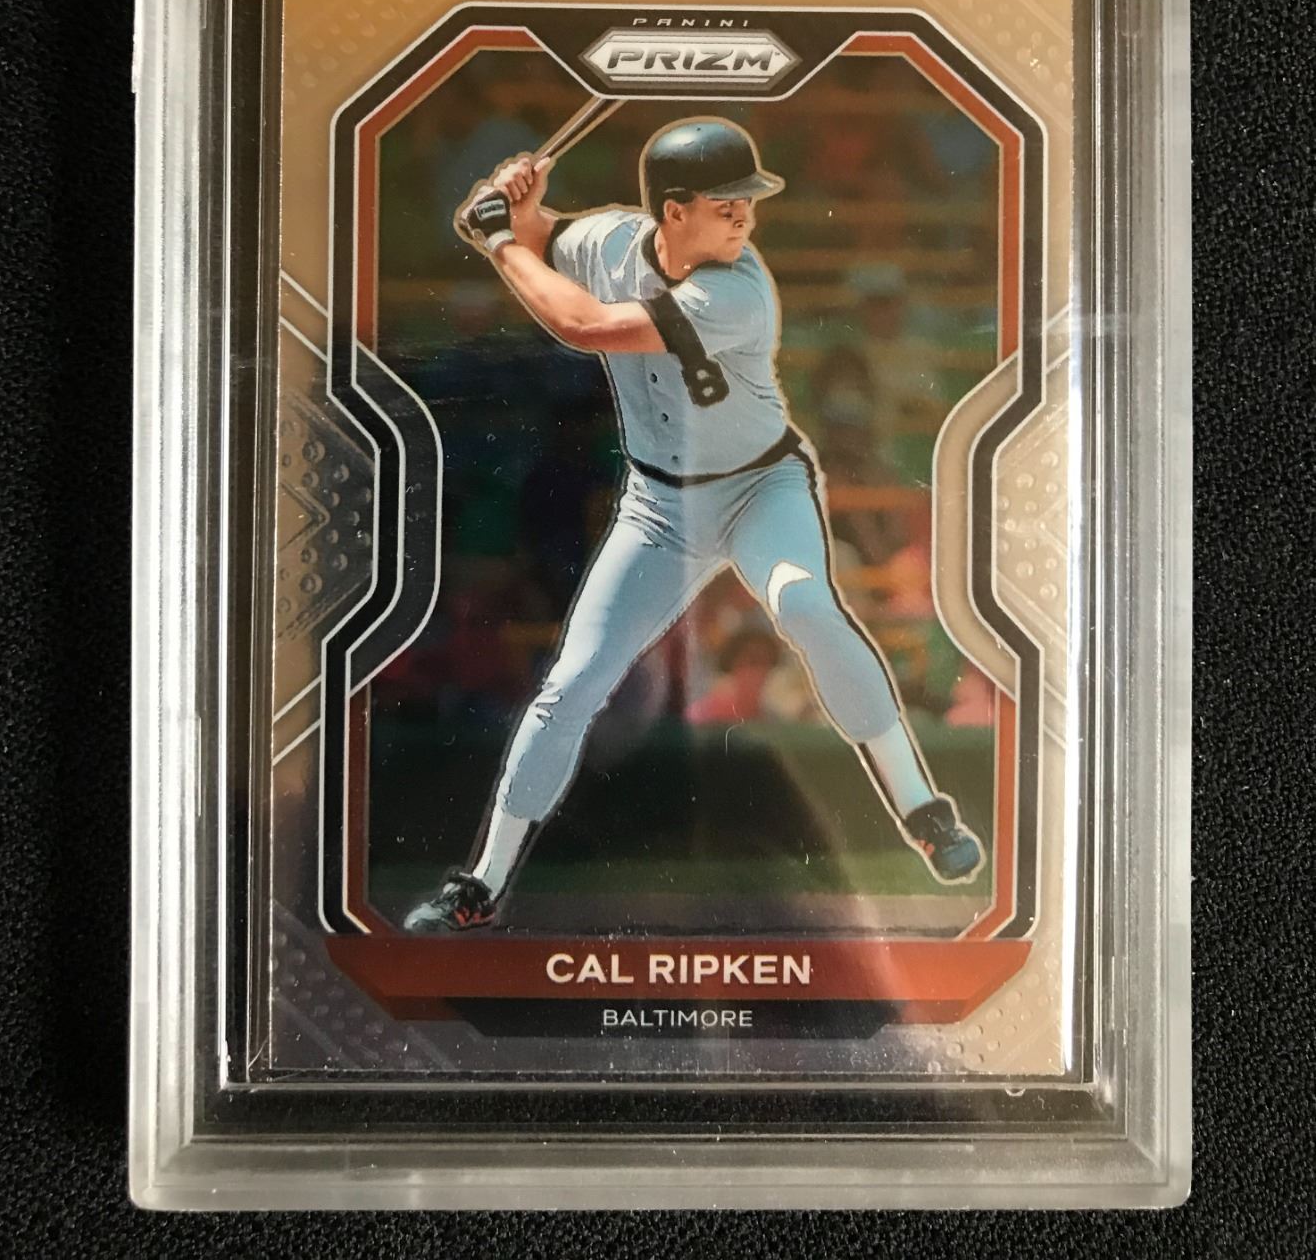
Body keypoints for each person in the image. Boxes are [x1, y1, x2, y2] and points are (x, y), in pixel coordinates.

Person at [404, 118, 983, 932]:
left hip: (760, 488)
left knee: (807, 606)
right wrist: (517, 208)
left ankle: (923, 808)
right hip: (660, 506)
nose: (746, 215)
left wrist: (499, 241)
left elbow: (583, 325)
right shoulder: (609, 240)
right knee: (572, 682)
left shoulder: (737, 289)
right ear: (673, 211)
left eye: (748, 200)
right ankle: (482, 879)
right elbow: (544, 236)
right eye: (726, 202)